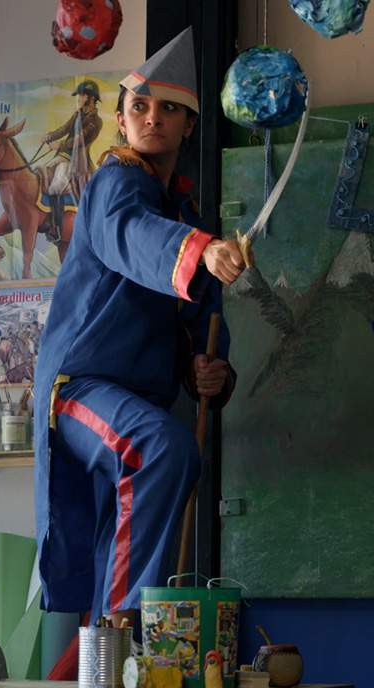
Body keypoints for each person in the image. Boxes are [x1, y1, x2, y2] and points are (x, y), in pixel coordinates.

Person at [33, 27, 253, 647]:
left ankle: (101, 661)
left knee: (118, 532)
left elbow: (202, 320)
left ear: (189, 124)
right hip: (79, 389)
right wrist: (201, 251)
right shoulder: (116, 184)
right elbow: (133, 236)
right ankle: (127, 634)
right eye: (139, 107)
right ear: (122, 120)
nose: (152, 118)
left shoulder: (181, 213)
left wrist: (209, 368)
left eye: (168, 109)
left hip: (130, 401)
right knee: (162, 449)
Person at [41, 79, 103, 242]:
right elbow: (64, 129)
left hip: (75, 163)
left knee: (55, 187)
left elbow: (81, 138)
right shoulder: (77, 115)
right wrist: (50, 136)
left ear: (92, 99)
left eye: (82, 96)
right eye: (78, 96)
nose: (79, 99)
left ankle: (56, 229)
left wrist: (60, 145)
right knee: (39, 173)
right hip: (62, 157)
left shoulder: (96, 121)